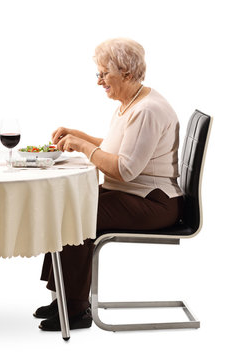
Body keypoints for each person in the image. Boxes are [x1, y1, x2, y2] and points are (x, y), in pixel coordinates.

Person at [34, 38, 184, 331]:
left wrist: (82, 146)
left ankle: (76, 310)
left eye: (105, 74)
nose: (100, 81)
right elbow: (119, 148)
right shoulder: (131, 102)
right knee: (67, 203)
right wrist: (78, 136)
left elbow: (125, 169)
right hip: (137, 195)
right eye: (98, 74)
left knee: (75, 212)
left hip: (154, 202)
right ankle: (64, 297)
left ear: (127, 73)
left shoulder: (147, 110)